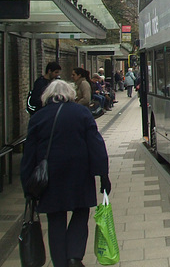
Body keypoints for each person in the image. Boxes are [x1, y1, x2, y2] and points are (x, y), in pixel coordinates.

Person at [20, 79, 110, 267]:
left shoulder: (38, 117)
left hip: (50, 177)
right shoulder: (82, 113)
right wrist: (103, 174)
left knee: (56, 219)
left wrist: (27, 185)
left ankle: (61, 262)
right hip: (79, 173)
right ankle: (74, 256)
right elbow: (96, 145)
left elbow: (29, 155)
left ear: (47, 96)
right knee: (80, 212)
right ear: (70, 94)